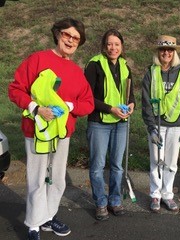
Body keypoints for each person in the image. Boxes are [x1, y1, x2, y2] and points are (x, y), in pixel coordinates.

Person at [8, 18, 94, 240]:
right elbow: (16, 89)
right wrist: (36, 108)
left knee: (57, 179)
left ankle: (48, 216)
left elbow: (88, 103)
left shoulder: (76, 72)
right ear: (57, 34)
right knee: (37, 178)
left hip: (62, 133)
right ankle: (34, 223)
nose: (71, 40)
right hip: (37, 130)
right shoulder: (37, 59)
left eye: (76, 38)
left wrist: (70, 106)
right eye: (67, 35)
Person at [84, 29, 135, 220]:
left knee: (117, 165)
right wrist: (110, 109)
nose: (113, 48)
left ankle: (114, 200)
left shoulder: (125, 65)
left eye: (117, 44)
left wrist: (131, 105)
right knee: (97, 165)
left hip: (120, 123)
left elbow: (131, 96)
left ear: (122, 47)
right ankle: (100, 202)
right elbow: (87, 97)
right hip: (99, 123)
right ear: (104, 46)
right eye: (109, 44)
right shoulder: (94, 64)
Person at [141, 35, 180, 213]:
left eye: (170, 50)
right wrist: (151, 128)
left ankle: (167, 194)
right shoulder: (151, 73)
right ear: (158, 52)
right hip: (157, 125)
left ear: (174, 53)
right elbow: (146, 103)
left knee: (171, 163)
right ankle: (155, 194)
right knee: (156, 161)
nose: (166, 53)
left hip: (176, 125)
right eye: (163, 49)